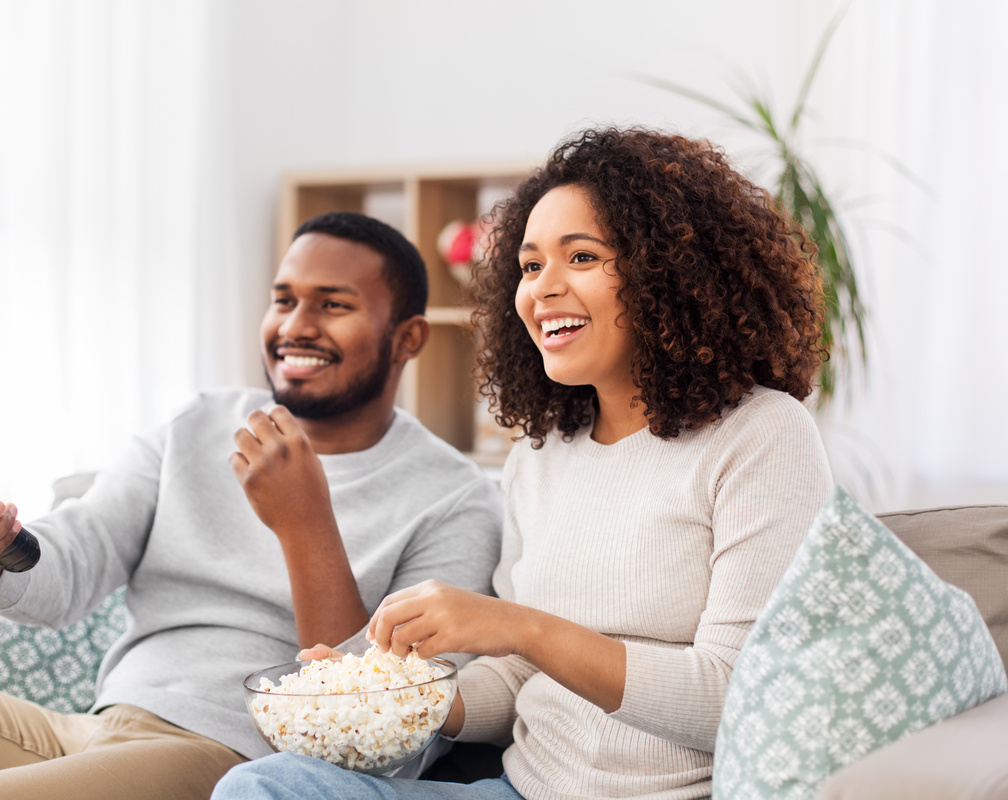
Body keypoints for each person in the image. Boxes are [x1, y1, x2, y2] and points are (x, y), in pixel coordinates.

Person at [210, 127, 836, 800]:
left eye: (583, 257)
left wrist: (522, 629)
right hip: (519, 791)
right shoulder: (540, 457)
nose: (543, 289)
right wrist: (391, 694)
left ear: (669, 274)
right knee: (264, 787)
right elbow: (514, 685)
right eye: (531, 266)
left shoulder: (763, 436)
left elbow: (738, 697)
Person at [0, 212, 503, 800]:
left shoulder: (455, 500)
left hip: (230, 760)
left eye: (333, 305)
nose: (295, 326)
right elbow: (69, 568)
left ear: (409, 338)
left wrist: (305, 525)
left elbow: (382, 732)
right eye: (283, 300)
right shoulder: (198, 425)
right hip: (95, 732)